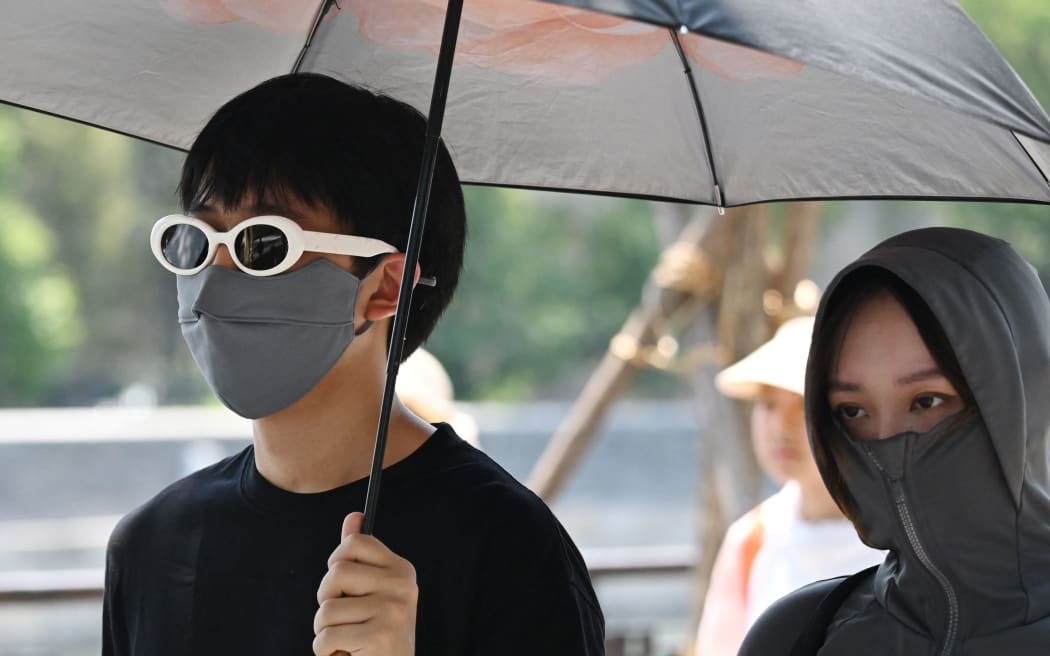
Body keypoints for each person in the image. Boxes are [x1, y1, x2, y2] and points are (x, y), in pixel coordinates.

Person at [103, 73, 604, 655]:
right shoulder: (153, 546)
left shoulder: (508, 547)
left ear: (386, 287)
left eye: (263, 245)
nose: (213, 279)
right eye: (196, 239)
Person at [740, 226, 1050, 655]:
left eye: (927, 400)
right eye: (853, 411)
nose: (885, 443)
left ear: (1022, 399)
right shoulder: (796, 635)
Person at [694, 316, 884, 656]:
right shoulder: (752, 539)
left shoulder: (903, 537)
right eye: (768, 404)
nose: (781, 426)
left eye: (802, 404)